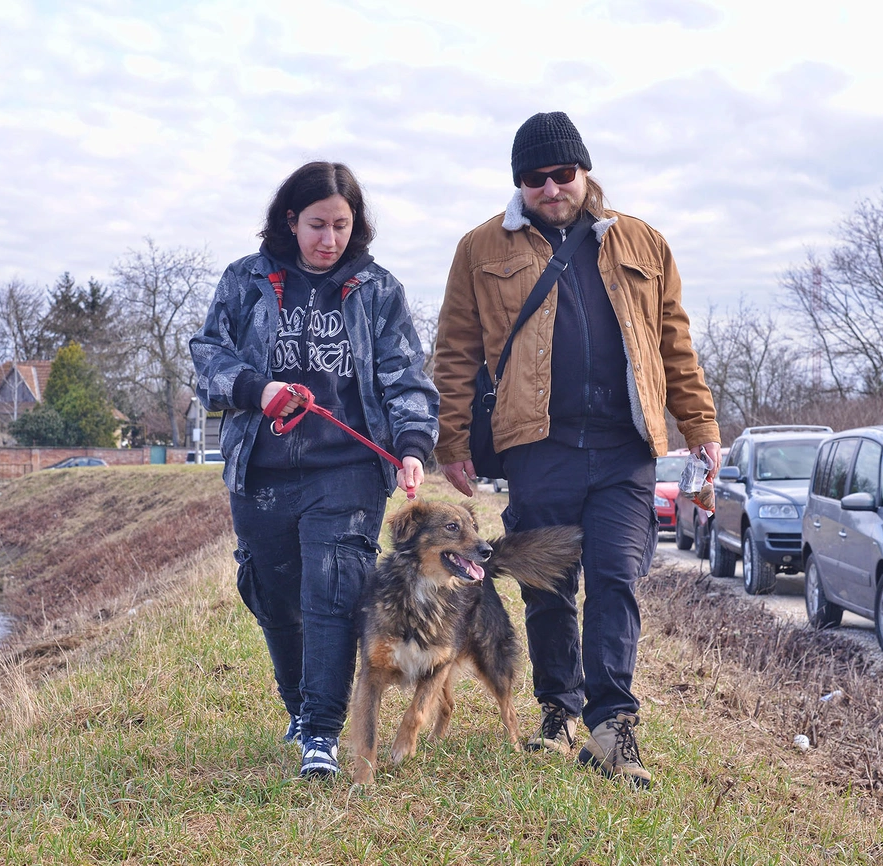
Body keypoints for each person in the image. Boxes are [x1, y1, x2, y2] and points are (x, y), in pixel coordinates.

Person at [432, 112, 721, 789]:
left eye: (562, 173)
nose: (551, 188)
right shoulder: (480, 248)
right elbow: (455, 350)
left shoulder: (642, 241)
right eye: (534, 178)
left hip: (625, 446)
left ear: (584, 171)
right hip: (538, 445)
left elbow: (674, 343)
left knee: (616, 578)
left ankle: (613, 725)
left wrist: (700, 426)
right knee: (549, 584)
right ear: (519, 184)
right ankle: (558, 712)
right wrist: (451, 439)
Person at [190, 161, 438, 779]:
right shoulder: (246, 280)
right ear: (290, 220)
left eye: (341, 226)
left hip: (348, 471)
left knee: (332, 590)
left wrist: (412, 446)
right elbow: (208, 357)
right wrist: (257, 389)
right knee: (274, 596)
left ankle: (322, 733)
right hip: (262, 470)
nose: (329, 239)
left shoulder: (378, 290)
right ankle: (299, 709)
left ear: (356, 225)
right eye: (317, 225)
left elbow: (406, 377)